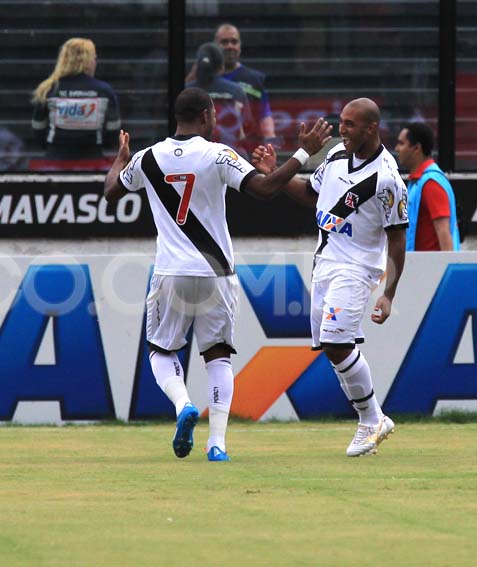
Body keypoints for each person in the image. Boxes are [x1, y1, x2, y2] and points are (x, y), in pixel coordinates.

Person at [104, 87, 332, 461]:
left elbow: (111, 191)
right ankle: (217, 444)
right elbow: (265, 189)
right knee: (218, 356)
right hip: (216, 271)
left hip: (171, 271)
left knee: (161, 350)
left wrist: (120, 159)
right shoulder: (218, 154)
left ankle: (183, 404)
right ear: (206, 116)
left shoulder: (147, 158)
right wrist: (304, 153)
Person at [252, 98, 407, 457]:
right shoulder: (336, 155)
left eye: (350, 124)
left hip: (357, 268)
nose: (342, 129)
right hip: (324, 263)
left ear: (371, 128)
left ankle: (372, 420)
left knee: (337, 342)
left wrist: (388, 294)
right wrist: (278, 172)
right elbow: (310, 194)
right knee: (332, 347)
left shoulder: (387, 178)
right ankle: (372, 419)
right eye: (341, 122)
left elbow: (398, 239)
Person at [30, 38, 121, 171]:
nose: (95, 62)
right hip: (93, 162)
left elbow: (38, 130)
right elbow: (113, 133)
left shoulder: (48, 89)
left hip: (54, 162)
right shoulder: (104, 91)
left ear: (64, 59)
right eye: (94, 58)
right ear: (88, 61)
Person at [394, 122, 460, 251]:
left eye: (401, 143)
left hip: (431, 264)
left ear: (416, 148)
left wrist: (447, 263)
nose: (396, 149)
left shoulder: (431, 183)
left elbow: (443, 231)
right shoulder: (418, 182)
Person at [215, 23, 277, 150]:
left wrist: (270, 144)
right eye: (224, 42)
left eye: (234, 42)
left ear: (240, 46)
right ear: (215, 46)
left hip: (245, 150)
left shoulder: (255, 79)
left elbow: (264, 115)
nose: (230, 46)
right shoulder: (203, 79)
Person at [185, 43, 252, 156]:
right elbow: (247, 124)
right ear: (221, 67)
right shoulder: (235, 91)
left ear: (197, 65)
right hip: (228, 154)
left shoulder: (185, 91)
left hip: (192, 154)